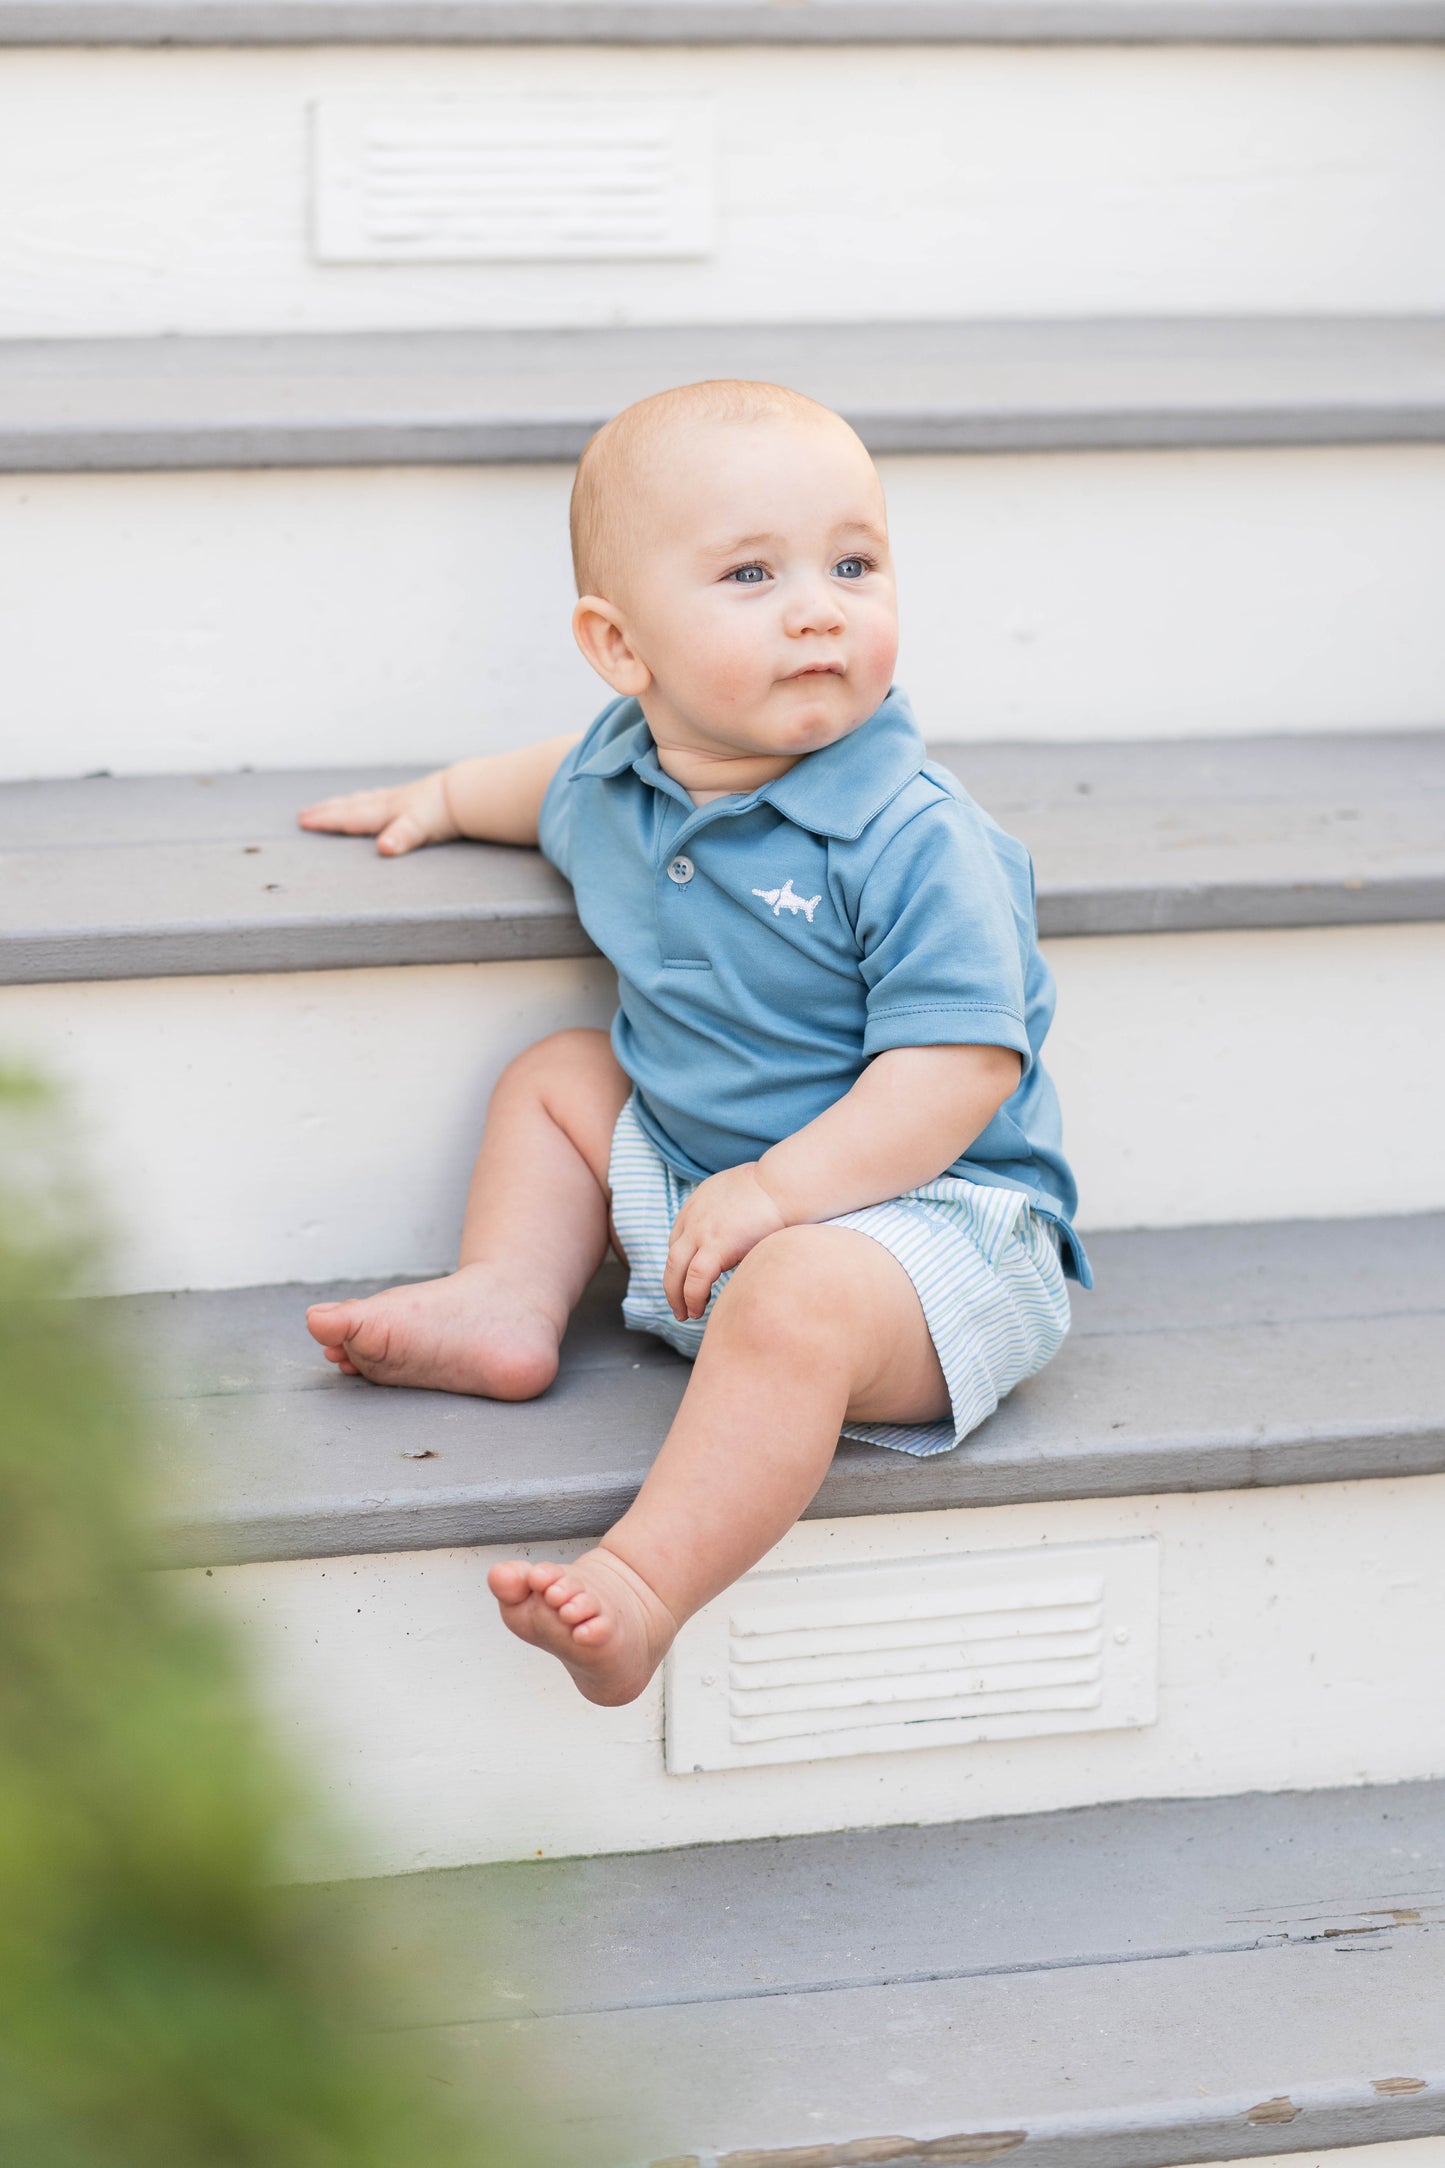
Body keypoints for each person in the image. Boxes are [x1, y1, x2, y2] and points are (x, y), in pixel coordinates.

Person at [298, 379, 1089, 1711]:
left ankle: (646, 1587)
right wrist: (436, 799)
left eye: (854, 562)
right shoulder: (622, 777)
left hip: (929, 1233)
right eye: (749, 573)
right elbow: (542, 781)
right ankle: (507, 1295)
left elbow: (959, 1072)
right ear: (620, 648)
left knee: (793, 1296)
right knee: (557, 1074)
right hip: (711, 1187)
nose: (818, 605)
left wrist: (784, 1197)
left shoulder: (912, 833)